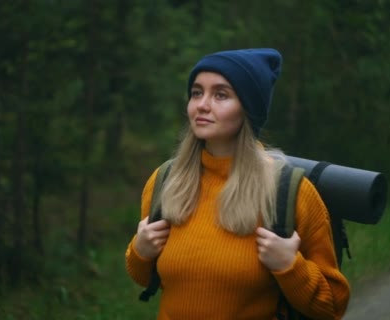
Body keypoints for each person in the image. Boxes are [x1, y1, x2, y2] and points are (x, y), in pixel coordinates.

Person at [125, 48, 350, 320]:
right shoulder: (166, 181)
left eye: (221, 95)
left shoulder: (289, 192)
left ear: (248, 108)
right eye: (197, 92)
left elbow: (333, 307)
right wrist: (140, 252)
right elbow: (145, 278)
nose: (202, 105)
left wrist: (290, 266)